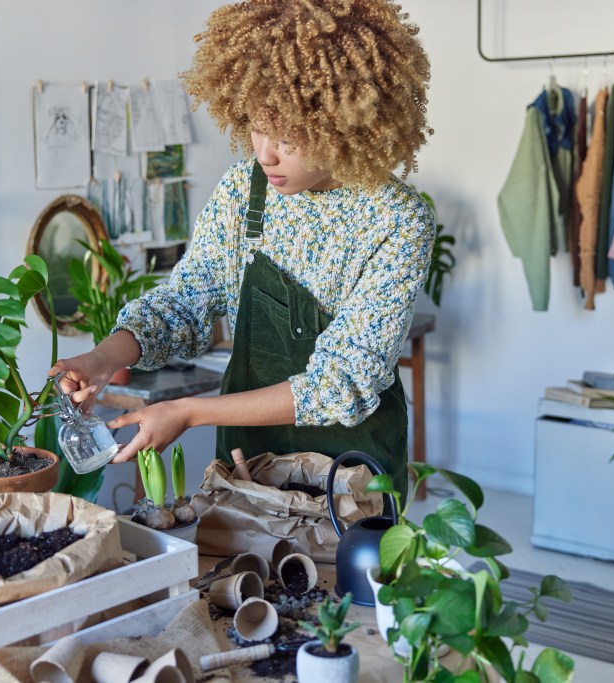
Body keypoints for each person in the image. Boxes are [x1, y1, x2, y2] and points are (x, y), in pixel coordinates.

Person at [50, 0, 434, 496]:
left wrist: (190, 412)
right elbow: (187, 300)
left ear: (346, 121)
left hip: (351, 476)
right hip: (247, 463)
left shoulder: (396, 218)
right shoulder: (245, 190)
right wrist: (104, 359)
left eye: (290, 135)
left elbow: (345, 380)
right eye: (257, 125)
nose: (265, 153)